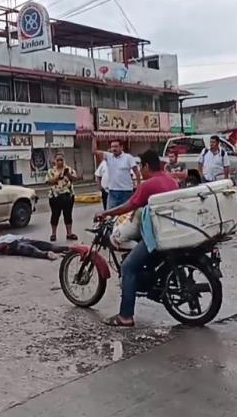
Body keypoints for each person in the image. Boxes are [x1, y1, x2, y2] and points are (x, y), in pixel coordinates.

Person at [94, 149, 179, 327]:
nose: (139, 169)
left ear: (147, 166)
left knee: (128, 267)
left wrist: (106, 212)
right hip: (171, 231)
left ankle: (125, 316)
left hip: (157, 236)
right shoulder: (170, 181)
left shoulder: (148, 185)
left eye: (141, 166)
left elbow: (130, 205)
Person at [0, 226, 69, 260]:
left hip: (18, 240)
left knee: (42, 244)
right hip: (12, 245)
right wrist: (6, 245)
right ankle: (47, 255)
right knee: (29, 249)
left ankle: (66, 249)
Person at [96, 139, 140, 209]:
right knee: (110, 214)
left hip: (126, 191)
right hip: (113, 191)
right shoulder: (108, 156)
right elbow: (94, 151)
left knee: (126, 215)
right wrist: (94, 138)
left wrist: (138, 186)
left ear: (121, 147)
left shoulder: (128, 157)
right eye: (112, 147)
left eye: (116, 146)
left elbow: (136, 172)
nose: (113, 149)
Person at [46, 153, 77, 242]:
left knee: (68, 215)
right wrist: (57, 176)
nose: (60, 162)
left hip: (68, 196)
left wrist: (68, 175)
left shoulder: (69, 169)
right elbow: (48, 182)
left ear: (64, 160)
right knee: (55, 215)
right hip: (55, 196)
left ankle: (69, 233)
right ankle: (53, 234)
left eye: (61, 160)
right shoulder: (51, 171)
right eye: (58, 160)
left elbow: (75, 179)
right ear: (55, 161)